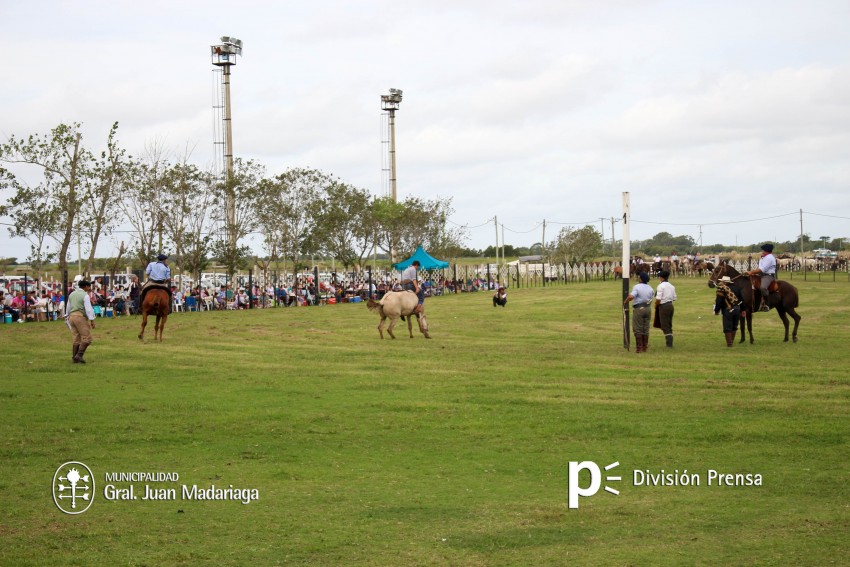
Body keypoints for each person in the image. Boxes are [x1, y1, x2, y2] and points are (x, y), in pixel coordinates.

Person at [65, 280, 96, 364]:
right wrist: (92, 320)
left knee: (76, 339)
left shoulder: (72, 294)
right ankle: (79, 355)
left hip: (71, 317)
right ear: (85, 286)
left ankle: (74, 358)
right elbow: (88, 309)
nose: (89, 288)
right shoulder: (85, 295)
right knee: (87, 338)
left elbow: (68, 306)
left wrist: (67, 316)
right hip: (80, 317)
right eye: (88, 286)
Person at [624, 271, 654, 353]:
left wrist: (626, 301)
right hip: (648, 308)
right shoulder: (650, 288)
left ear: (640, 279)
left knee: (638, 328)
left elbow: (631, 296)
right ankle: (645, 347)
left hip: (639, 308)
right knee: (646, 328)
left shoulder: (637, 287)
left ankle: (639, 348)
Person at [714, 275, 744, 347]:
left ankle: (729, 344)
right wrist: (743, 310)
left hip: (728, 310)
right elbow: (742, 300)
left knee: (727, 327)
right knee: (734, 326)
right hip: (737, 309)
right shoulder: (737, 288)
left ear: (724, 282)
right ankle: (731, 341)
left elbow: (718, 301)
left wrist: (716, 311)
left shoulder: (721, 289)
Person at [748, 243, 776, 312]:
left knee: (763, 287)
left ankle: (767, 304)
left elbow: (762, 269)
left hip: (768, 276)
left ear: (766, 251)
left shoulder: (770, 258)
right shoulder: (763, 258)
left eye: (763, 250)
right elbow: (760, 269)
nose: (762, 251)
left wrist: (751, 272)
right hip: (761, 275)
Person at [654, 270, 677, 348]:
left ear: (661, 278)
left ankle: (669, 344)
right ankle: (670, 341)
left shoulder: (661, 286)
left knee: (664, 325)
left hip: (663, 306)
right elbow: (674, 298)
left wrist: (656, 305)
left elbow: (658, 299)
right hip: (670, 305)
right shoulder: (672, 286)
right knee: (669, 324)